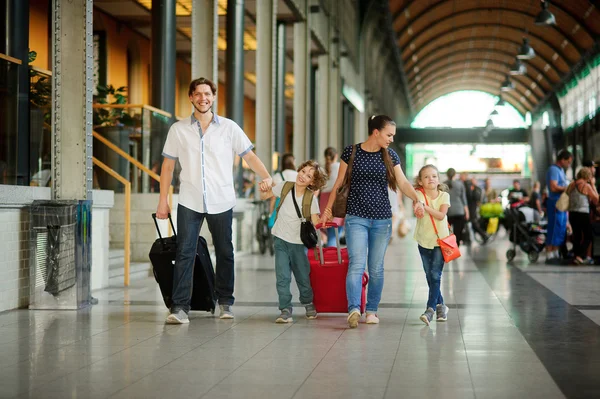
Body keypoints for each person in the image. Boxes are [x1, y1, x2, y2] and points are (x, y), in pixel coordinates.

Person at [156, 77, 273, 324]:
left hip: (221, 199)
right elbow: (167, 167)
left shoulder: (229, 128)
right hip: (189, 199)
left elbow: (249, 157)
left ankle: (225, 302)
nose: (203, 98)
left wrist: (267, 177)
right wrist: (163, 200)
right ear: (190, 97)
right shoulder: (178, 129)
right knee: (185, 252)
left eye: (207, 93)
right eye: (198, 94)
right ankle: (179, 308)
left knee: (225, 251)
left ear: (214, 96)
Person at [320, 115, 425, 329]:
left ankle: (372, 310)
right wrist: (328, 210)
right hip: (356, 218)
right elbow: (339, 183)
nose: (391, 139)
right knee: (357, 264)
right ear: (375, 132)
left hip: (382, 220)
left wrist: (417, 198)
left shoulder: (390, 155)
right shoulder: (351, 152)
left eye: (393, 136)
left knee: (376, 268)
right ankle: (353, 309)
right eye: (388, 134)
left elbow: (402, 182)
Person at [261, 160, 326, 323]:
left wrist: (326, 218)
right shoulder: (285, 186)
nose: (303, 176)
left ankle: (308, 302)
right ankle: (285, 308)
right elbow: (266, 195)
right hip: (280, 239)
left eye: (309, 176)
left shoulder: (311, 198)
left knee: (303, 276)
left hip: (298, 243)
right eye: (303, 171)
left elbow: (316, 222)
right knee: (282, 276)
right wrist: (264, 188)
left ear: (313, 182)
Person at [413, 165, 451, 326]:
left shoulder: (444, 196)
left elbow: (441, 215)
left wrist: (425, 206)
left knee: (435, 275)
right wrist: (419, 207)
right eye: (427, 177)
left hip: (440, 241)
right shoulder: (418, 194)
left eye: (434, 176)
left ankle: (430, 310)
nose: (431, 179)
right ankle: (441, 306)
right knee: (430, 277)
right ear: (420, 181)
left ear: (438, 179)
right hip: (423, 240)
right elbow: (417, 209)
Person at [546, 150, 573, 262]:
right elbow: (553, 187)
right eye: (568, 162)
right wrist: (567, 188)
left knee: (561, 228)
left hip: (561, 203)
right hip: (555, 203)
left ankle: (556, 251)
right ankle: (549, 252)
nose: (569, 164)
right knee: (554, 226)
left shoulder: (561, 170)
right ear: (562, 160)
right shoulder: (553, 170)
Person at [568, 168, 599, 265]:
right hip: (583, 213)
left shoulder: (572, 184)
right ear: (587, 176)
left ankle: (576, 256)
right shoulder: (586, 186)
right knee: (588, 236)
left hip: (572, 213)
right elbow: (597, 200)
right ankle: (580, 256)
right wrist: (593, 185)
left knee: (576, 236)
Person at [320, 147, 343, 246]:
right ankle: (332, 257)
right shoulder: (340, 167)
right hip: (337, 200)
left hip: (324, 200)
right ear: (336, 156)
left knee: (330, 232)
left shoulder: (321, 170)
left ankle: (329, 252)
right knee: (335, 233)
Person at [444, 168, 469, 246]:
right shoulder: (460, 184)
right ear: (455, 175)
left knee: (445, 231)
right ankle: (456, 247)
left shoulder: (443, 185)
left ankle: (447, 248)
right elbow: (464, 199)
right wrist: (467, 212)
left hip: (447, 211)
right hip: (459, 211)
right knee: (458, 232)